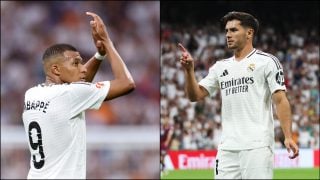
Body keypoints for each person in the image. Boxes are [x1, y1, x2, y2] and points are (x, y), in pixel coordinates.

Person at [178, 11, 299, 179]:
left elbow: (280, 100)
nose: (228, 35)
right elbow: (195, 95)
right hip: (227, 147)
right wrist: (189, 71)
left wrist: (288, 136)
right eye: (226, 31)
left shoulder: (267, 62)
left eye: (234, 30)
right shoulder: (220, 67)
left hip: (257, 146)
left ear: (249, 33)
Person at [22, 11, 135, 179]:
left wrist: (99, 55)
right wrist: (107, 42)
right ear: (56, 69)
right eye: (76, 63)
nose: (82, 68)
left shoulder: (31, 94)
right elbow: (127, 83)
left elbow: (78, 88)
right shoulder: (69, 95)